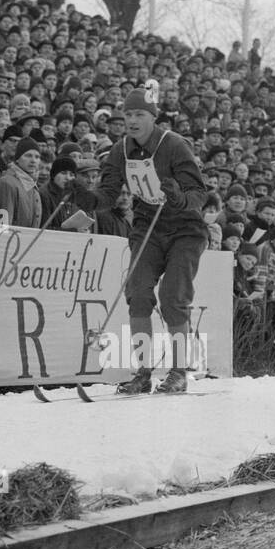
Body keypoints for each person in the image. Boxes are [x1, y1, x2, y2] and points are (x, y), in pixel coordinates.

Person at [93, 84, 208, 393]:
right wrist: (89, 199)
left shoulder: (174, 145)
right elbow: (107, 192)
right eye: (128, 114)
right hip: (149, 226)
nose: (132, 120)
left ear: (153, 117)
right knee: (139, 293)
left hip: (185, 229)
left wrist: (179, 197)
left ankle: (179, 372)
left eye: (139, 114)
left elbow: (199, 193)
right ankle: (143, 372)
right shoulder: (121, 149)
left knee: (173, 297)